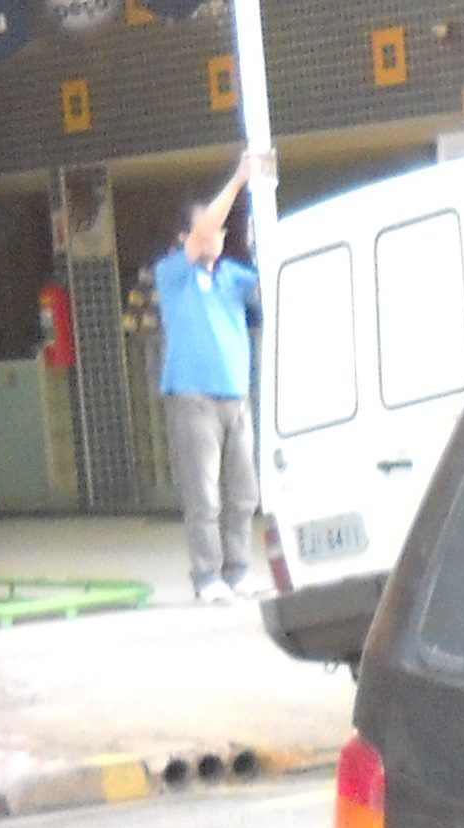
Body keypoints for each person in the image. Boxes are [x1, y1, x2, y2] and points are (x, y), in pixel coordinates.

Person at [155, 149, 271, 604]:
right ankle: (207, 577)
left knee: (242, 492)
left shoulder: (234, 277)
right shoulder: (173, 274)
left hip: (235, 398)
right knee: (204, 494)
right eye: (206, 231)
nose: (215, 237)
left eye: (221, 231)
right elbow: (204, 231)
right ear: (186, 237)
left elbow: (269, 285)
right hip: (194, 399)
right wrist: (240, 180)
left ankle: (238, 569)